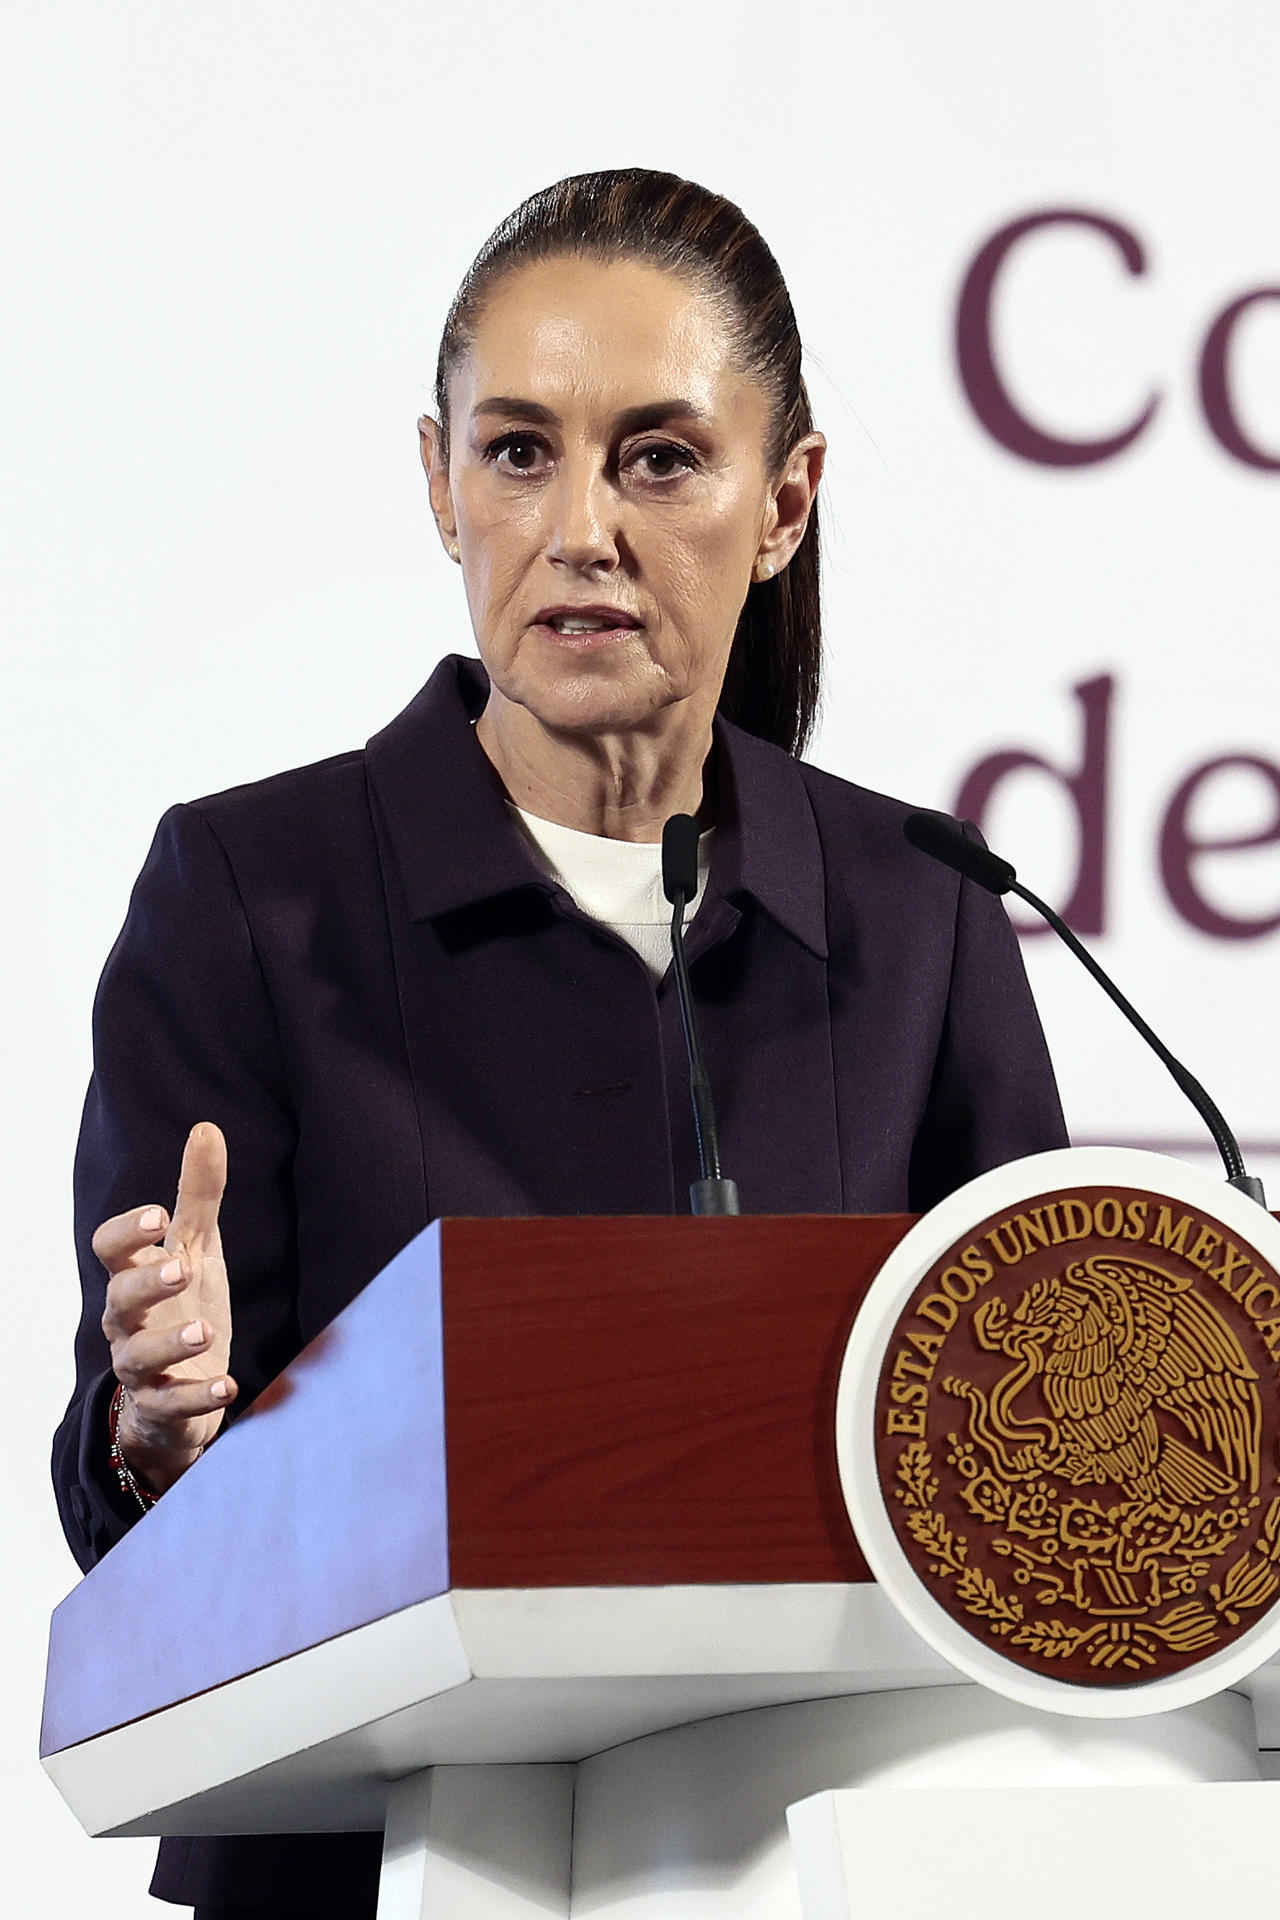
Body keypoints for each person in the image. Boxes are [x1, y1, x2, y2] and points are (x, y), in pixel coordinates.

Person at [53, 169, 1067, 1917]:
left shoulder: (922, 910)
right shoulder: (253, 893)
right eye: (519, 451)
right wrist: (163, 1426)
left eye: (659, 459)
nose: (580, 525)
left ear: (785, 502)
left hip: (821, 1854)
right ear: (438, 484)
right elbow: (143, 1513)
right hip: (364, 1868)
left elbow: (1044, 1427)